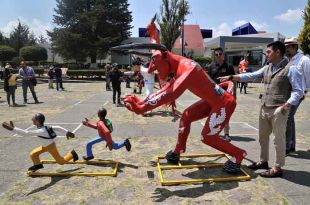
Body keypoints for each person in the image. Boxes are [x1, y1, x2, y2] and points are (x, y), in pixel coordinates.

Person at [117, 20, 247, 174]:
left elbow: (170, 92)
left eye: (156, 64)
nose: (153, 69)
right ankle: (178, 150)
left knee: (208, 136)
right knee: (186, 116)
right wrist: (153, 33)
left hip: (223, 104)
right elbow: (166, 87)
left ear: (165, 58)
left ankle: (239, 155)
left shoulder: (188, 69)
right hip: (214, 100)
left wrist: (142, 107)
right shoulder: (176, 64)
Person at [219, 41, 304, 177]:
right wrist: (233, 77)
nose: (266, 54)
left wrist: (286, 105)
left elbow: (298, 91)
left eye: (269, 52)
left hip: (279, 109)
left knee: (278, 140)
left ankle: (277, 167)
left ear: (277, 53)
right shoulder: (268, 67)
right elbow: (252, 76)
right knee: (262, 137)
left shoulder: (291, 68)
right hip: (265, 107)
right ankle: (263, 161)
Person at [2, 113, 78, 172]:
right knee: (33, 154)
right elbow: (57, 127)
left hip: (50, 147)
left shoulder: (40, 131)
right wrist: (67, 132)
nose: (32, 120)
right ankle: (38, 165)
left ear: (37, 121)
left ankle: (72, 154)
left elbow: (26, 133)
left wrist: (13, 129)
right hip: (45, 146)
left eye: (33, 119)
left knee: (61, 162)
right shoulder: (44, 127)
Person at [284, 37, 310, 154]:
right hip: (289, 92)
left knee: (287, 117)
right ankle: (291, 144)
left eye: (289, 47)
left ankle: (286, 147)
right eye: (285, 47)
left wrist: (305, 92)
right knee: (290, 118)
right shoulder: (289, 60)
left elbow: (308, 76)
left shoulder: (304, 60)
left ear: (295, 47)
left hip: (298, 93)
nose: (287, 50)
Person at [207, 47, 236, 142]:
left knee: (225, 115)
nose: (218, 56)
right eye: (216, 54)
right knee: (214, 114)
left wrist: (234, 95)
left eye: (220, 54)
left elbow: (233, 81)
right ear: (214, 56)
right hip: (214, 96)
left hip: (225, 96)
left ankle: (226, 134)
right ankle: (215, 133)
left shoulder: (229, 67)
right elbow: (209, 82)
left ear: (223, 55)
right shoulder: (211, 66)